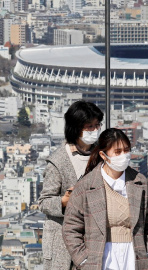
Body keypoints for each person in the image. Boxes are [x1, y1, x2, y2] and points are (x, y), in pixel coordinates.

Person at [63, 128, 148, 270]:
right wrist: (83, 260)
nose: (124, 156)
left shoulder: (140, 182)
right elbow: (70, 228)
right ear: (103, 154)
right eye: (118, 152)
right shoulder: (86, 186)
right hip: (99, 258)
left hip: (134, 256)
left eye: (127, 150)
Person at [38, 100, 104, 270]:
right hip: (62, 243)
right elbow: (44, 202)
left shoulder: (102, 156)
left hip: (93, 238)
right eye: (89, 126)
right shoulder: (58, 160)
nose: (95, 130)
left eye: (97, 125)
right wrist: (64, 202)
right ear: (76, 128)